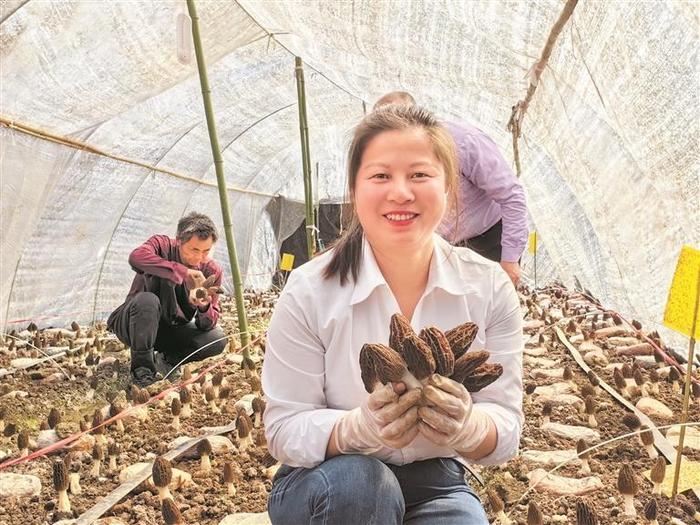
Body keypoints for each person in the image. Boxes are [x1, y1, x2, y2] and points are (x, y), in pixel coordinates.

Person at [262, 105, 523, 524]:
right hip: (326, 483)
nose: (400, 192)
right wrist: (354, 429)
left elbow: (506, 424)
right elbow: (283, 428)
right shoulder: (311, 291)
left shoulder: (488, 287)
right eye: (381, 176)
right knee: (363, 487)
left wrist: (469, 426)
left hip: (435, 484)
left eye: (419, 175)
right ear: (355, 188)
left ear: (448, 186)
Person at [374, 91, 528, 286]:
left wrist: (510, 259)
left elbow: (511, 195)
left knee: (491, 307)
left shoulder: (463, 141)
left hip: (489, 238)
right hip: (441, 245)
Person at [107, 212, 228, 388]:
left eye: (206, 251)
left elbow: (207, 324)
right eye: (194, 250)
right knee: (147, 301)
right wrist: (182, 272)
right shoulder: (161, 245)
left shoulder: (210, 271)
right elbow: (136, 257)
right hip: (134, 324)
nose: (198, 257)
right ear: (179, 240)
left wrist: (203, 306)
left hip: (169, 329)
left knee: (216, 338)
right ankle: (143, 374)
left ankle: (167, 361)